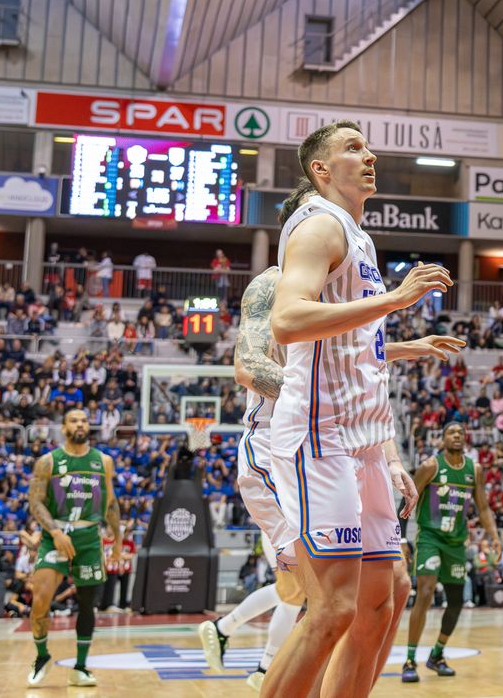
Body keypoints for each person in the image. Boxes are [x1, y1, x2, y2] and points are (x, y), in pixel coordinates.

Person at [263, 121, 453, 698]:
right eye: (352, 148)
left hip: (361, 441)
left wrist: (387, 447)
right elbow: (287, 320)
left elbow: (355, 348)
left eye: (367, 146)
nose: (369, 155)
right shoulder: (320, 225)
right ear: (321, 170)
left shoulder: (360, 237)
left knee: (388, 591)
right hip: (320, 436)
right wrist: (395, 299)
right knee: (334, 609)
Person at [201, 261, 304, 692]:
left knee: (301, 588)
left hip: (306, 451)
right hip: (272, 449)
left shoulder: (336, 283)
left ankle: (227, 632)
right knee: (303, 585)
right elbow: (249, 367)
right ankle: (262, 666)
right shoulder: (275, 283)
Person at [25, 408, 124, 687]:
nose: (80, 424)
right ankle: (42, 655)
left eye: (83, 420)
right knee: (40, 601)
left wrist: (117, 540)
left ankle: (80, 667)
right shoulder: (48, 462)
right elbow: (35, 502)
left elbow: (111, 502)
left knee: (87, 605)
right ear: (64, 427)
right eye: (74, 420)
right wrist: (55, 532)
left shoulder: (103, 461)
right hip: (55, 534)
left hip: (89, 538)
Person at [403, 422, 500, 683]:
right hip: (430, 537)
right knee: (425, 592)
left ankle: (436, 654)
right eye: (451, 433)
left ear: (465, 439)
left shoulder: (474, 470)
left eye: (461, 433)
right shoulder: (430, 467)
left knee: (456, 601)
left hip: (456, 542)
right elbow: (407, 499)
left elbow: (483, 508)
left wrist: (494, 537)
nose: (457, 436)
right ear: (443, 438)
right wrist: (400, 538)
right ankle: (410, 659)